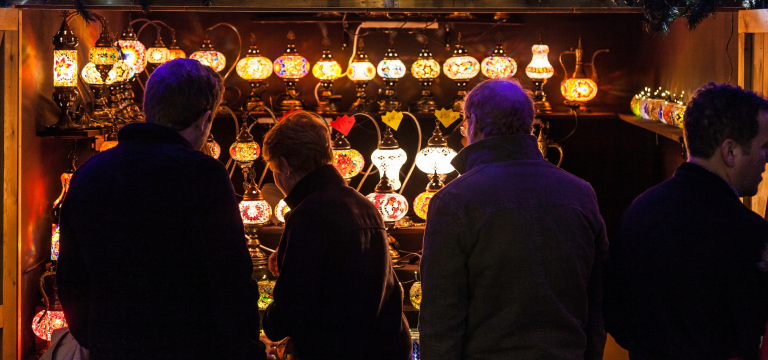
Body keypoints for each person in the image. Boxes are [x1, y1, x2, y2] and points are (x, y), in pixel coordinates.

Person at [57, 59, 265, 360]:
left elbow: (71, 277)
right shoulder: (202, 174)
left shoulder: (90, 173)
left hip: (113, 346)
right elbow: (230, 278)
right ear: (205, 119)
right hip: (192, 348)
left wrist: (98, 338)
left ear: (149, 107)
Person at [419, 78, 608, 360]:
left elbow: (441, 315)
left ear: (473, 123)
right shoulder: (580, 192)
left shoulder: (454, 200)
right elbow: (598, 298)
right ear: (529, 123)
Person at [605, 82, 768, 360]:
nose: (766, 160)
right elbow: (751, 334)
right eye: (764, 147)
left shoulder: (639, 210)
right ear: (730, 151)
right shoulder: (747, 231)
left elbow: (615, 315)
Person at [260, 111, 411, 360]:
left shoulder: (309, 214)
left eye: (273, 168)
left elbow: (290, 313)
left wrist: (268, 321)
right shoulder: (365, 205)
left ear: (285, 166)